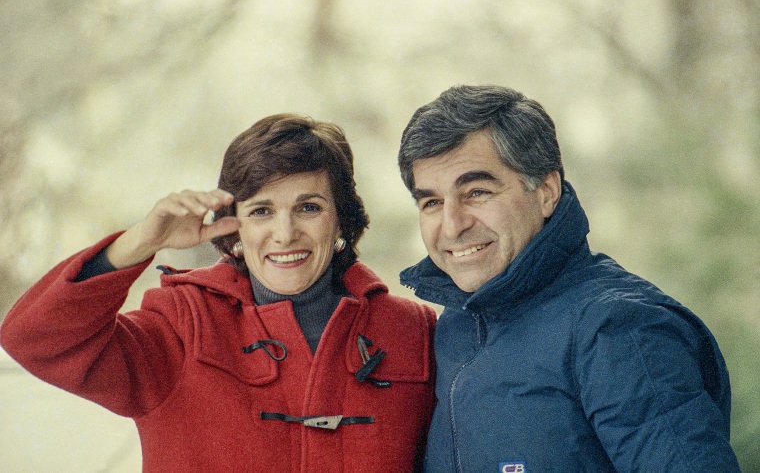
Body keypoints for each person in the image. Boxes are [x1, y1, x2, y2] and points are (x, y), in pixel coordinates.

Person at [1, 114, 436, 472]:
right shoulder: (180, 325)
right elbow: (36, 340)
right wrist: (139, 243)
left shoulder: (413, 332)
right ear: (235, 226)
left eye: (308, 207)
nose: (284, 234)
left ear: (341, 218)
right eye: (261, 211)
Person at [397, 85, 740, 472]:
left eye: (477, 191)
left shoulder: (618, 330)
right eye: (432, 202)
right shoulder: (457, 325)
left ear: (546, 192)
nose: (453, 225)